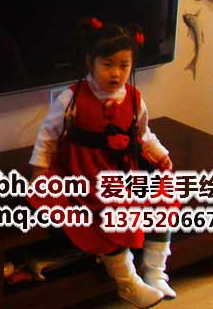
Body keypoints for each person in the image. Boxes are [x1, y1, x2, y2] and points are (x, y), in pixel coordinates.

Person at [28, 18, 176, 308]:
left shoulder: (134, 99)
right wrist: (40, 169)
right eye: (108, 65)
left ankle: (155, 271)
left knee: (164, 195)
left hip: (123, 169)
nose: (116, 73)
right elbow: (48, 135)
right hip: (85, 173)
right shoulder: (71, 98)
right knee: (113, 211)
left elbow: (143, 134)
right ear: (90, 62)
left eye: (124, 65)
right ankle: (127, 281)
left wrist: (160, 154)